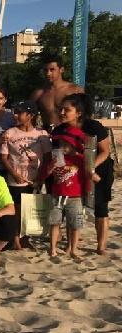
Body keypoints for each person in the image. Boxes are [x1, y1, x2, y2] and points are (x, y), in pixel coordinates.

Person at [51, 93, 113, 255]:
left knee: (100, 207)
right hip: (71, 173)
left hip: (98, 169)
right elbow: (57, 154)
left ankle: (101, 246)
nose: (62, 112)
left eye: (67, 110)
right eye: (61, 109)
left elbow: (105, 151)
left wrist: (89, 168)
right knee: (70, 207)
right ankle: (70, 243)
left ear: (78, 112)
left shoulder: (93, 127)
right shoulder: (59, 130)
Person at [0, 101, 51, 249]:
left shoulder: (41, 134)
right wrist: (14, 174)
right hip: (16, 179)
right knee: (16, 209)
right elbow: (4, 157)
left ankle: (25, 237)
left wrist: (40, 178)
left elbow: (47, 158)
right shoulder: (9, 133)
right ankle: (15, 238)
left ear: (30, 115)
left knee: (29, 209)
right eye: (15, 112)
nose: (15, 115)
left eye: (19, 112)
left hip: (35, 179)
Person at [38, 126, 87, 258]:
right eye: (61, 143)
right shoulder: (55, 158)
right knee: (55, 222)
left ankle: (73, 249)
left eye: (66, 143)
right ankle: (53, 248)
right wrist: (51, 166)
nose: (62, 146)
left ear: (74, 145)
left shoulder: (80, 159)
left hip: (75, 196)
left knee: (75, 224)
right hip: (57, 195)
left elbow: (87, 176)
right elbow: (44, 175)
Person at [30, 55, 84, 130]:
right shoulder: (38, 93)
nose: (48, 73)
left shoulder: (75, 90)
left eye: (52, 70)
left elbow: (85, 116)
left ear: (61, 70)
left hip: (70, 134)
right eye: (45, 70)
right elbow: (30, 118)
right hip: (48, 134)